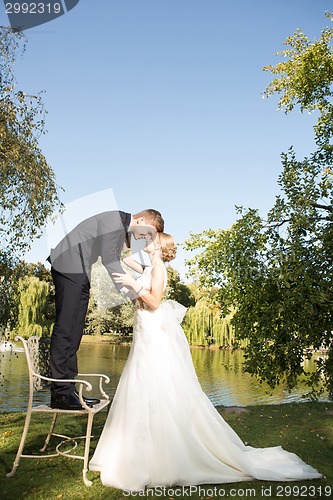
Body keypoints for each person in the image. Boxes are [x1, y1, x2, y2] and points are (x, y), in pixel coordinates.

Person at [89, 233, 321, 491]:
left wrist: (133, 286)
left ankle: (159, 456)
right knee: (139, 385)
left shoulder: (159, 269)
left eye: (151, 240)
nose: (148, 242)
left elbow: (154, 302)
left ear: (160, 247)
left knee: (155, 384)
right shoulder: (149, 266)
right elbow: (128, 261)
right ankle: (136, 451)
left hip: (152, 330)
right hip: (144, 332)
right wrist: (116, 246)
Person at [48, 208, 164, 410]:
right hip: (69, 266)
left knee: (75, 331)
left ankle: (70, 390)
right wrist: (132, 294)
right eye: (149, 232)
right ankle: (60, 393)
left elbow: (113, 258)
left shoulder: (119, 227)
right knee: (66, 328)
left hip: (80, 271)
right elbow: (110, 261)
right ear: (142, 219)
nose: (146, 237)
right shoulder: (115, 221)